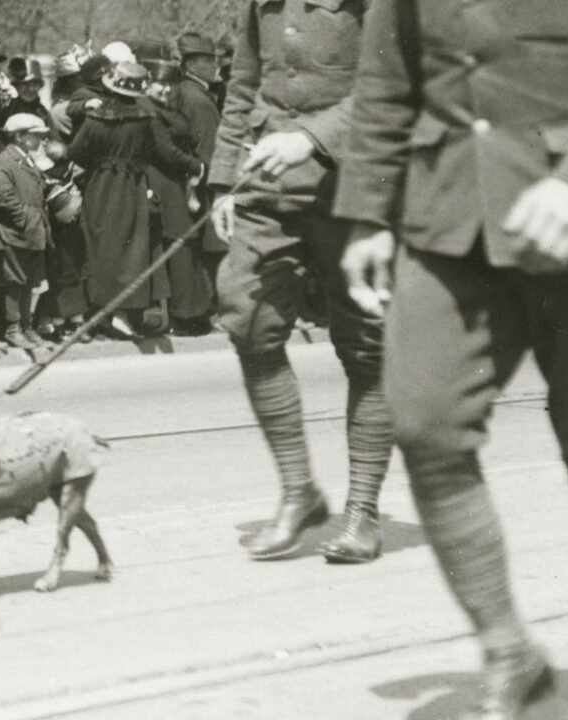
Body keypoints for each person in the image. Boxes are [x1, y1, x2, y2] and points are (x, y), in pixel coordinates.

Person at [336, 1, 568, 716]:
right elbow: (385, 79)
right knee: (424, 419)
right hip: (451, 217)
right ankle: (510, 653)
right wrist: (367, 214)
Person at [207, 0, 389, 565]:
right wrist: (221, 181)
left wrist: (311, 137)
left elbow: (396, 88)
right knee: (249, 322)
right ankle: (299, 492)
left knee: (368, 346)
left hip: (357, 189)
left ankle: (362, 511)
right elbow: (244, 86)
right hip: (268, 188)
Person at [71, 62, 201, 339]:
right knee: (131, 250)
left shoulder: (96, 118)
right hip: (131, 187)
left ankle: (103, 315)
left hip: (100, 187)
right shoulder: (145, 119)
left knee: (102, 248)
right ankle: (123, 314)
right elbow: (168, 153)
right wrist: (196, 166)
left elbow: (76, 151)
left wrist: (101, 162)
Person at [145, 59, 211, 335]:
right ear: (148, 82)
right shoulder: (148, 110)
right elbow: (165, 149)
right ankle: (184, 315)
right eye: (161, 83)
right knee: (179, 243)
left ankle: (192, 312)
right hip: (163, 181)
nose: (166, 89)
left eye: (171, 83)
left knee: (184, 244)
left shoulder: (162, 108)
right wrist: (197, 166)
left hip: (175, 181)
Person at [169, 33, 223, 310]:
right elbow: (209, 150)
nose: (216, 64)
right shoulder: (198, 99)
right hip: (207, 184)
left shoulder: (183, 91)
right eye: (210, 59)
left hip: (190, 182)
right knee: (215, 246)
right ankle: (215, 306)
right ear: (193, 64)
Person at [0, 113, 53, 350]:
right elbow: (4, 197)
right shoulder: (6, 161)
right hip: (17, 233)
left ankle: (27, 327)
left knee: (29, 282)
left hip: (31, 232)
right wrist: (27, 219)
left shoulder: (26, 159)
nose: (42, 140)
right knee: (15, 281)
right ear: (20, 137)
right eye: (36, 136)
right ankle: (13, 329)